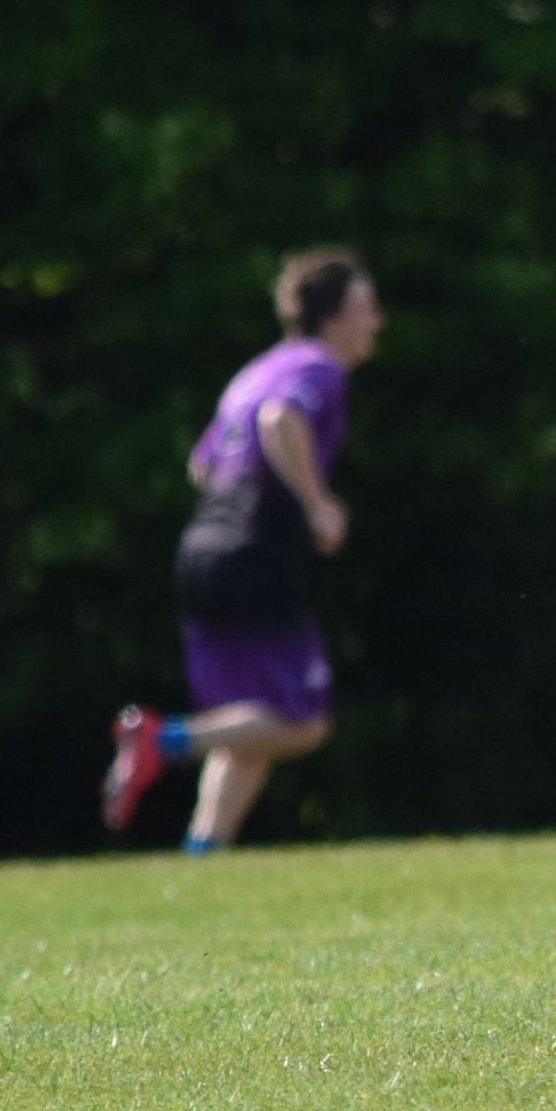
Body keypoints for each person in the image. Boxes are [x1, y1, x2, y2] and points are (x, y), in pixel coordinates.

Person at [102, 249, 381, 854]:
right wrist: (316, 503)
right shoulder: (318, 367)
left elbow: (202, 465)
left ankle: (203, 853)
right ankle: (163, 741)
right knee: (305, 722)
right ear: (332, 317)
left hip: (203, 547)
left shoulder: (258, 369)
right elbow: (281, 421)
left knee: (245, 722)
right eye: (366, 307)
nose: (376, 322)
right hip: (257, 552)